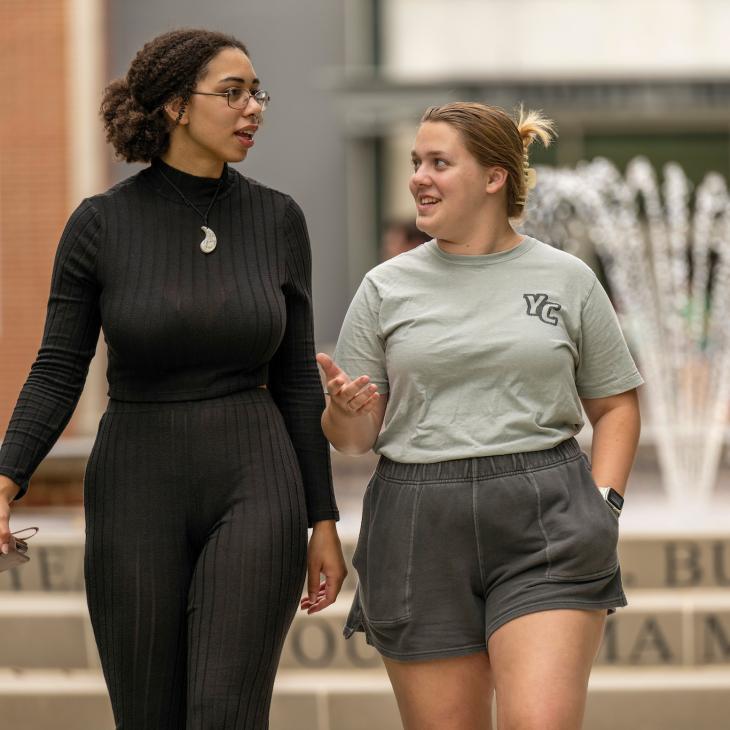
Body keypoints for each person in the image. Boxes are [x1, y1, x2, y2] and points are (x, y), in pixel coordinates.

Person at [0, 28, 346, 729]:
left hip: (256, 476)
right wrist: (6, 480)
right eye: (233, 92)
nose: (254, 108)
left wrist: (323, 521)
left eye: (257, 93)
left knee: (224, 712)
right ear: (175, 108)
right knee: (147, 716)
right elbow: (59, 366)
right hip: (135, 481)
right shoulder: (101, 225)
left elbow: (297, 382)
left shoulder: (279, 220)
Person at [317, 102, 643, 730]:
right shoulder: (384, 287)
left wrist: (605, 505)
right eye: (416, 163)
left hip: (547, 520)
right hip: (418, 522)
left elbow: (615, 404)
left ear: (494, 177)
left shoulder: (568, 279)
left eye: (439, 162)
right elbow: (355, 441)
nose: (418, 177)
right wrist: (342, 412)